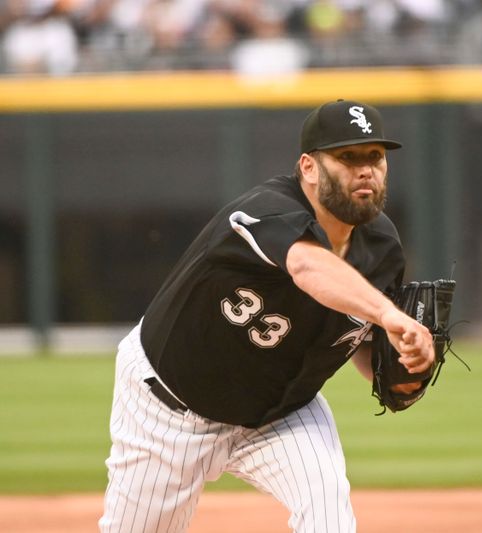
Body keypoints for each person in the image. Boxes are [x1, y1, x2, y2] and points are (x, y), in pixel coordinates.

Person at [99, 99, 435, 533]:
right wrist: (391, 314)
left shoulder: (383, 247)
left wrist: (404, 361)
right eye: (347, 157)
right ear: (308, 167)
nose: (365, 169)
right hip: (170, 407)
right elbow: (307, 266)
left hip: (282, 414)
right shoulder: (266, 208)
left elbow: (364, 342)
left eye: (375, 157)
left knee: (330, 518)